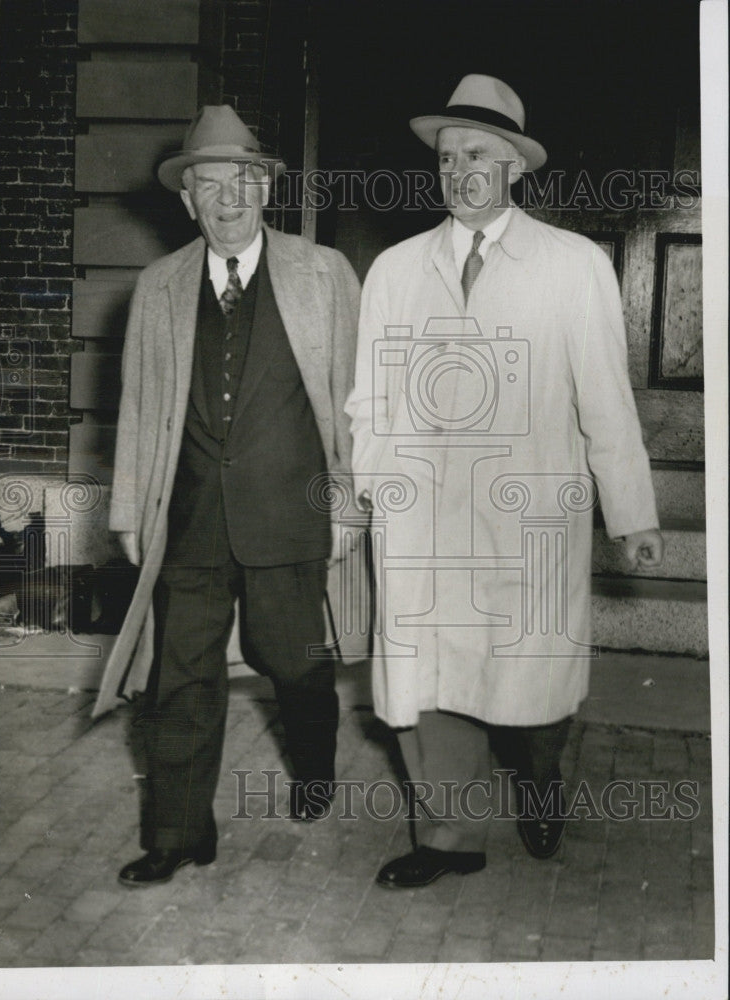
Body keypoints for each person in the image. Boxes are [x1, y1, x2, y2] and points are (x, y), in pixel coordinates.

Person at [345, 75, 664, 889]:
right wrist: (376, 488)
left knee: (532, 681)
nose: (458, 171)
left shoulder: (572, 265)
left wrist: (630, 511)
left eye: (477, 154)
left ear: (515, 166)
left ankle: (540, 775)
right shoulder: (394, 270)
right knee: (434, 676)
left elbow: (603, 394)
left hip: (531, 513)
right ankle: (448, 837)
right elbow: (370, 401)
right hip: (423, 520)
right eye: (447, 157)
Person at [93, 105, 360, 887]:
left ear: (266, 188)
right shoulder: (158, 286)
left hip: (291, 511)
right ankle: (178, 834)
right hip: (189, 518)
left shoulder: (324, 274)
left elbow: (355, 398)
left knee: (294, 662)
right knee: (180, 678)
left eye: (242, 181)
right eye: (210, 186)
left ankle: (313, 762)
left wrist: (350, 499)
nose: (228, 199)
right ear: (188, 202)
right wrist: (129, 513)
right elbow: (139, 408)